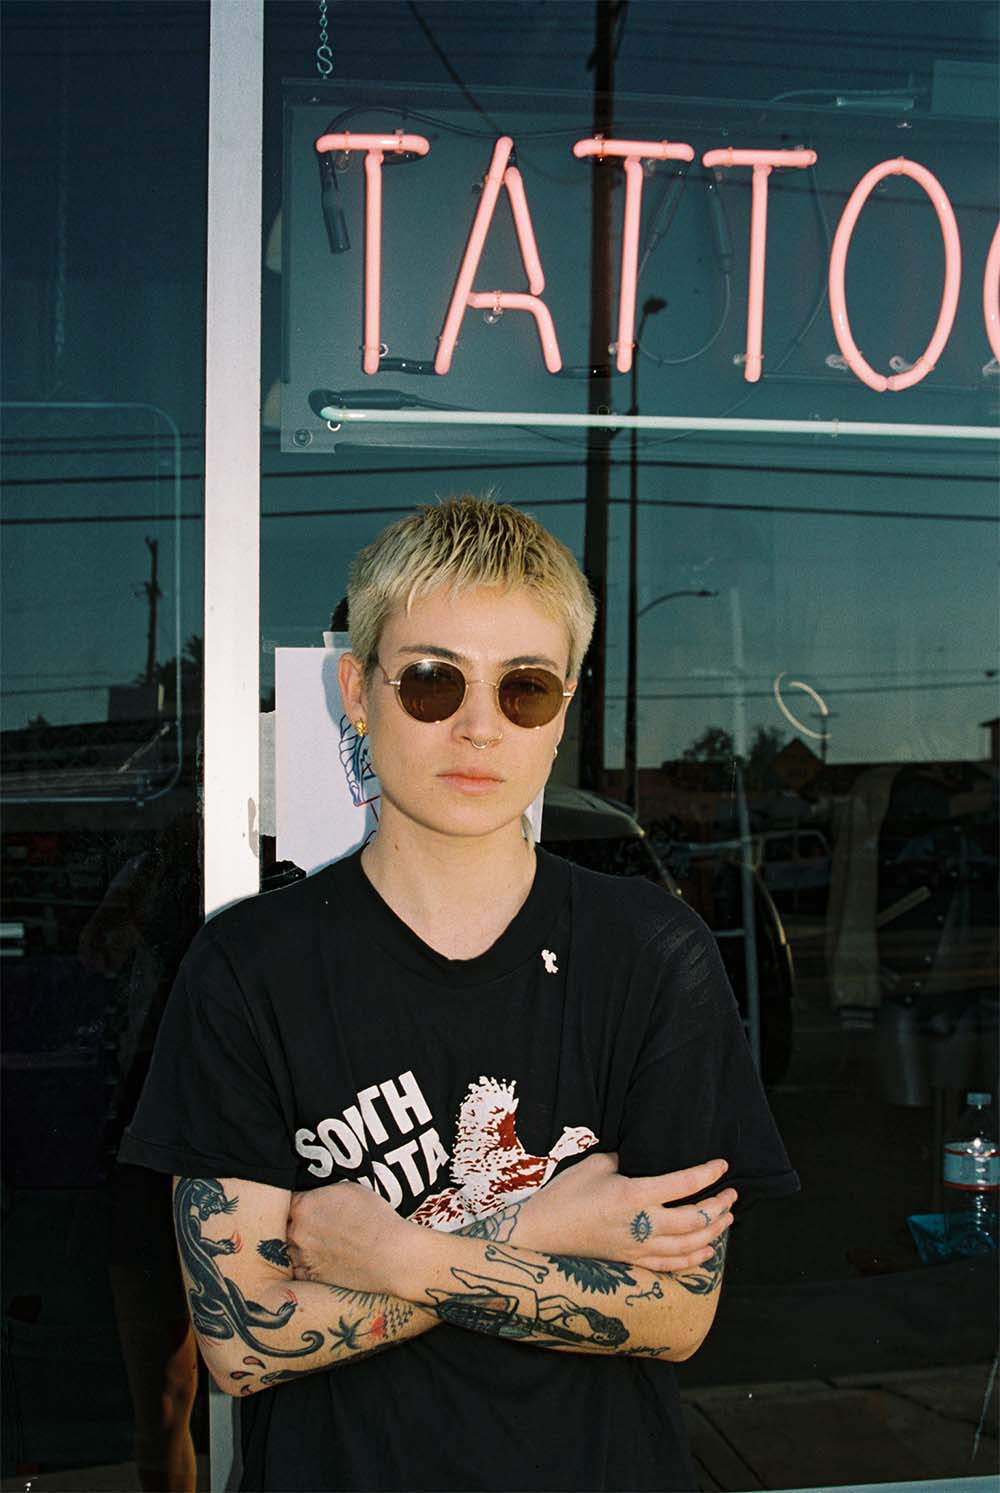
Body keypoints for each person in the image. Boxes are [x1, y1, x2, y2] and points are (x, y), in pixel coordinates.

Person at [120, 496, 798, 1493]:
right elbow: (243, 1340)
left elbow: (674, 1313)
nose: (479, 725)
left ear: (561, 711)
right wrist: (544, 1224)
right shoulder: (250, 966)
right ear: (357, 689)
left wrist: (398, 1254)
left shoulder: (653, 953)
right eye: (432, 681)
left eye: (523, 687)